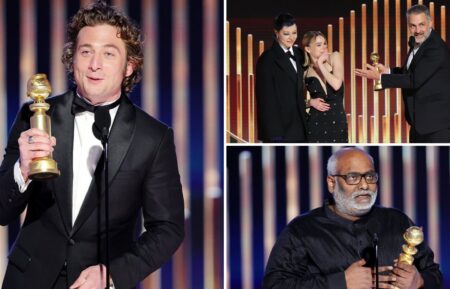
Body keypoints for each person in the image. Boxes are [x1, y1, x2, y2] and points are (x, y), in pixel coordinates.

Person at [0, 2, 184, 289]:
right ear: (73, 60)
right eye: (86, 52)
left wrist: (112, 274)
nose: (94, 64)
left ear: (129, 67)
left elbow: (168, 229)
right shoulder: (35, 116)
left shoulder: (153, 138)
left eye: (108, 54)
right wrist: (21, 171)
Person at [263, 147, 442, 289]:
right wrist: (340, 283)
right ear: (332, 183)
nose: (364, 185)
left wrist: (421, 281)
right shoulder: (302, 230)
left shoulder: (398, 221)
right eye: (353, 177)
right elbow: (274, 285)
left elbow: (434, 274)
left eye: (370, 176)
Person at [355, 4, 450, 143]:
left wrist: (380, 78)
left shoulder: (435, 47)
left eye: (421, 25)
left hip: (436, 126)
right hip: (420, 123)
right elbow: (411, 72)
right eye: (413, 26)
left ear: (430, 23)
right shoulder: (419, 43)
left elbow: (414, 80)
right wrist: (388, 70)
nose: (417, 30)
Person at [255, 13, 307, 143]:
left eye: (294, 33)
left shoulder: (299, 53)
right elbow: (265, 101)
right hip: (280, 130)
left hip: (301, 126)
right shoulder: (267, 59)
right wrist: (274, 136)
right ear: (276, 33)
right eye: (286, 33)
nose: (291, 37)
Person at [302, 31, 348, 143]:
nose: (324, 47)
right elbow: (296, 101)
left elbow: (337, 85)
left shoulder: (334, 57)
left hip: (337, 120)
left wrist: (321, 65)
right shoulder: (305, 71)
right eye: (318, 45)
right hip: (315, 123)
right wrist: (310, 102)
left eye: (325, 43)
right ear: (308, 49)